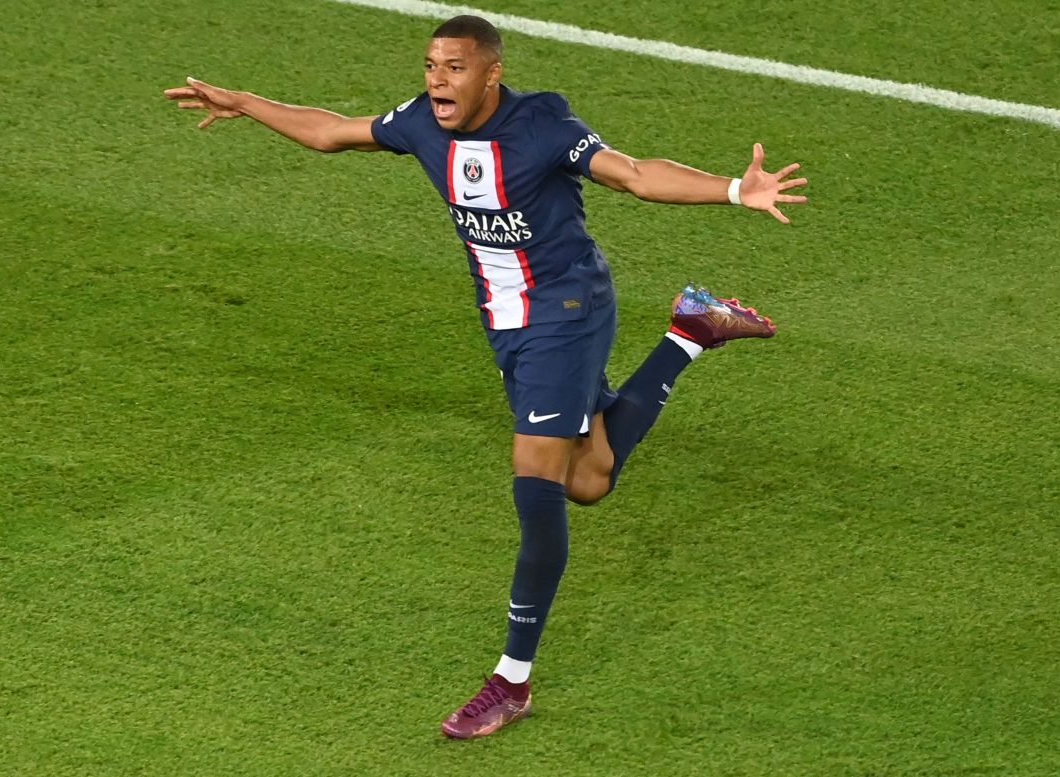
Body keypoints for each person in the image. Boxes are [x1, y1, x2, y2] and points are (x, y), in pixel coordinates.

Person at [165, 14, 807, 739]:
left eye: (455, 67)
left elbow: (633, 174)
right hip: (508, 322)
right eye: (432, 64)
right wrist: (246, 102)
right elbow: (331, 130)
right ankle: (690, 330)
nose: (437, 78)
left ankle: (511, 680)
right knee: (587, 478)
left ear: (491, 73)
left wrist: (731, 189)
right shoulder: (420, 124)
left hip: (566, 308)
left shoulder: (544, 126)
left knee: (536, 486)